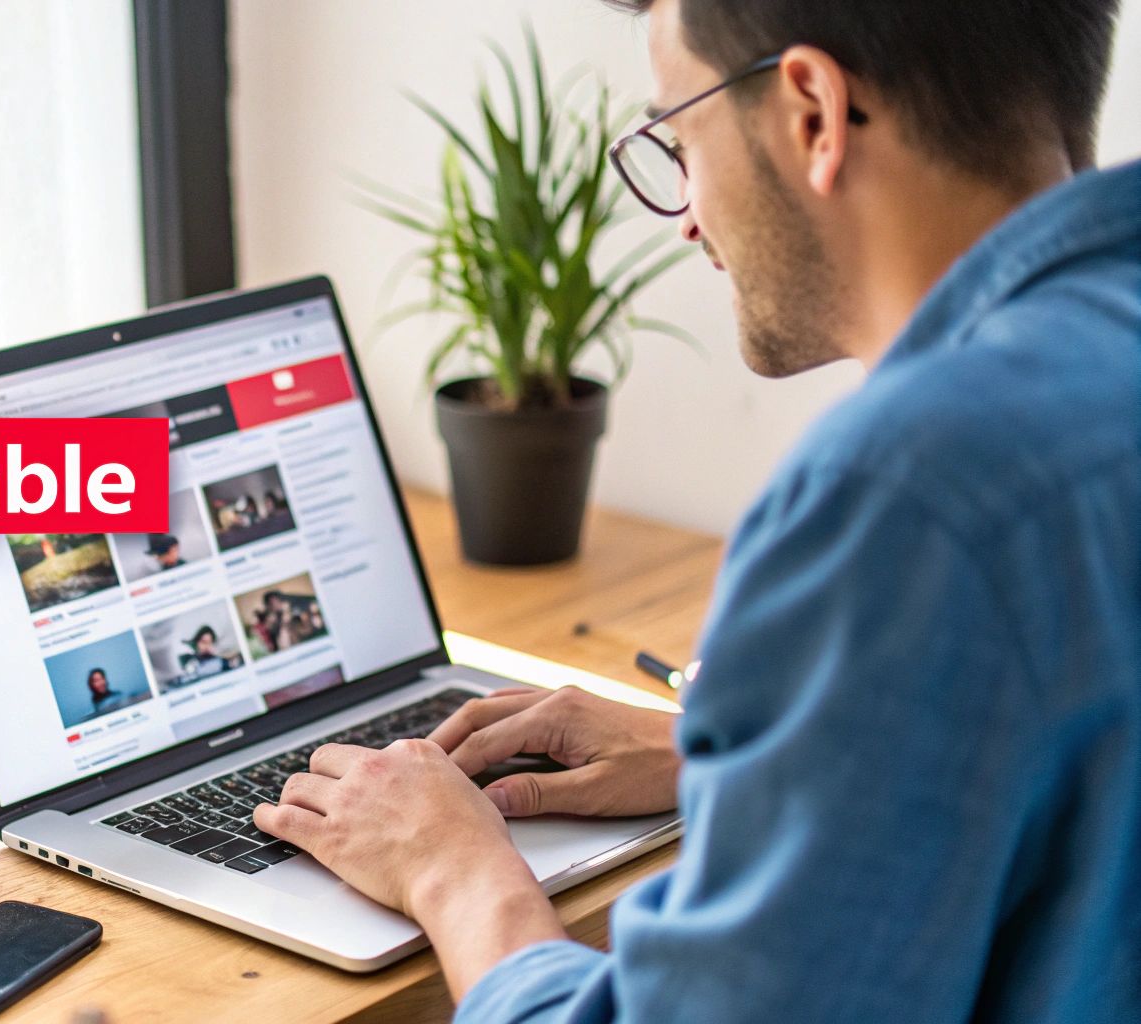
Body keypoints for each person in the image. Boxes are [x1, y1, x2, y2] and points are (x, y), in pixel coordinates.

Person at [254, 1, 1140, 1020]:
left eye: (677, 135)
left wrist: (452, 868)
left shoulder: (903, 495)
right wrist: (770, 753)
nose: (682, 214)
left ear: (811, 109)